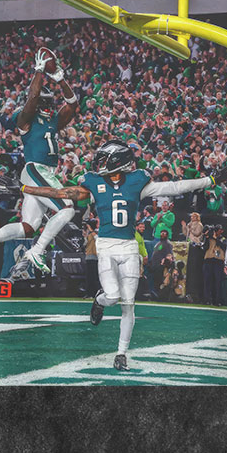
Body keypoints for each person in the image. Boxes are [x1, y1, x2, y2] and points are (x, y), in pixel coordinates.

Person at [21, 140, 213, 371]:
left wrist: (208, 181)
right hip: (106, 246)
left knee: (129, 303)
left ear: (117, 161)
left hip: (129, 247)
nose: (99, 163)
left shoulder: (137, 181)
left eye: (104, 159)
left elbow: (174, 187)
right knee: (112, 296)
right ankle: (99, 301)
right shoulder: (94, 182)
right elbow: (63, 192)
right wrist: (26, 189)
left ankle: (121, 354)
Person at [0, 45, 79, 274]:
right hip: (36, 170)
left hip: (43, 173)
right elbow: (33, 96)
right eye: (47, 104)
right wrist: (39, 71)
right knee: (67, 207)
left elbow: (72, 104)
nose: (50, 107)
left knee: (28, 227)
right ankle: (37, 251)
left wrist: (60, 80)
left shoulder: (52, 121)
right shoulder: (26, 119)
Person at [182, 211, 205, 301]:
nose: (192, 218)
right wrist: (184, 227)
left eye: (193, 216)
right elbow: (185, 234)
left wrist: (190, 228)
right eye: (191, 216)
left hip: (196, 244)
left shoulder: (199, 225)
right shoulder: (189, 224)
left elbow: (197, 233)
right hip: (188, 244)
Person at [202, 225, 226, 306]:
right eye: (215, 230)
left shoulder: (223, 239)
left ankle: (218, 300)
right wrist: (207, 237)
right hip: (208, 260)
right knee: (207, 281)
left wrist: (215, 238)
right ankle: (207, 300)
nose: (216, 232)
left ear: (221, 231)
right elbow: (204, 248)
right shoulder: (208, 238)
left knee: (218, 281)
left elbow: (224, 246)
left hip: (218, 261)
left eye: (218, 230)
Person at [83, 220, 99, 298]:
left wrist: (91, 231)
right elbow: (85, 244)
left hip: (96, 257)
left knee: (95, 277)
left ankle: (96, 292)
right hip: (89, 257)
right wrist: (85, 236)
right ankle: (89, 293)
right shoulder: (89, 234)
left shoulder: (97, 233)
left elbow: (97, 239)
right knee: (89, 277)